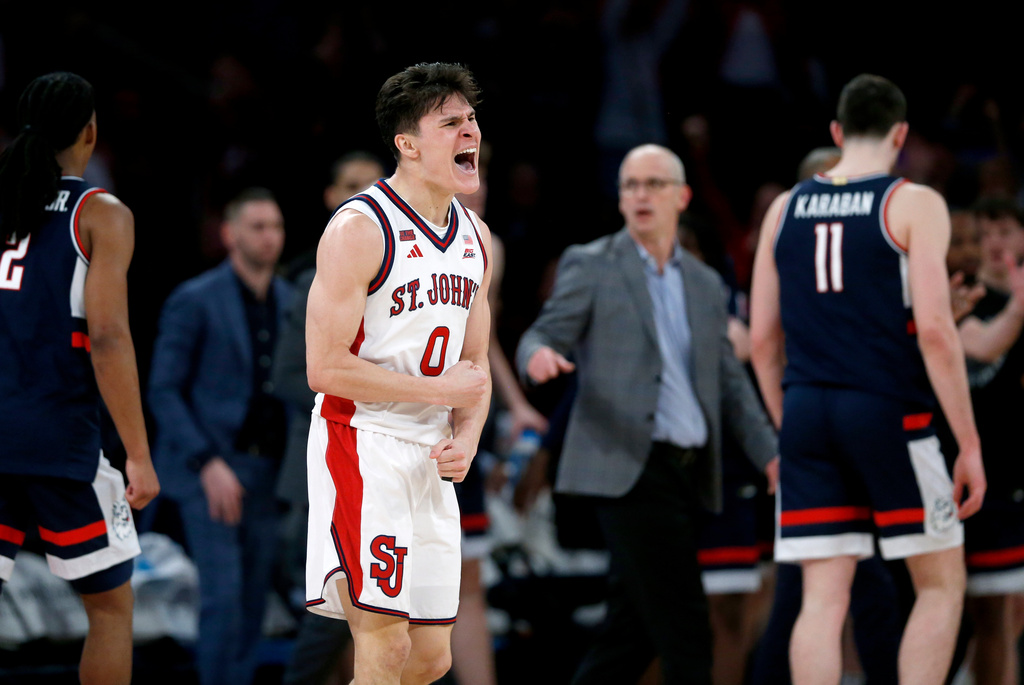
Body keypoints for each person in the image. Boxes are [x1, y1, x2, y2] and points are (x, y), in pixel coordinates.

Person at [749, 73, 986, 685]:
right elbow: (935, 330)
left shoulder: (784, 207)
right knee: (940, 583)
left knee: (822, 599)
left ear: (837, 132)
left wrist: (786, 421)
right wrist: (968, 442)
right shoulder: (913, 202)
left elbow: (761, 339)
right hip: (885, 409)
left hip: (806, 411)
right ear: (900, 135)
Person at [516, 143, 778, 684]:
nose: (641, 195)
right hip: (627, 465)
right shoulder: (592, 263)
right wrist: (537, 357)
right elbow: (542, 333)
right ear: (619, 198)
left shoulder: (705, 283)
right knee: (686, 625)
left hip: (689, 472)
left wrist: (770, 454)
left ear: (681, 197)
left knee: (631, 632)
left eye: (654, 184)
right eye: (631, 185)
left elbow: (730, 384)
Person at [303, 62, 492, 685]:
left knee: (431, 658)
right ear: (407, 144)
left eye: (471, 119)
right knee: (383, 646)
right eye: (450, 123)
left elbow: (475, 366)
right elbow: (324, 366)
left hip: (430, 451)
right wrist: (438, 392)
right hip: (362, 441)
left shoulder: (476, 237)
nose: (470, 132)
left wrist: (468, 436)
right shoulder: (360, 227)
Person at [0, 71, 160, 685]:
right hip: (58, 439)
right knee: (112, 608)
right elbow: (109, 339)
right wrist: (138, 455)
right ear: (90, 133)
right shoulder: (99, 213)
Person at [148, 186, 294, 685]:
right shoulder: (194, 299)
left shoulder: (292, 301)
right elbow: (163, 389)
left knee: (254, 599)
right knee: (224, 596)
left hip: (269, 468)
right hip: (212, 465)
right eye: (258, 226)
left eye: (276, 226)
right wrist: (206, 461)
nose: (269, 236)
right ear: (230, 234)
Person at [274, 152, 385, 685]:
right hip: (322, 473)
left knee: (369, 623)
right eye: (351, 186)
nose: (364, 196)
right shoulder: (312, 279)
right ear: (331, 197)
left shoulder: (397, 271)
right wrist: (371, 400)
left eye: (373, 185)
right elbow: (289, 376)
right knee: (335, 619)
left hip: (381, 467)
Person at [953, 197, 1024, 685]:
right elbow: (982, 343)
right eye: (986, 234)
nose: (995, 243)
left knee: (1008, 612)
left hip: (1015, 471)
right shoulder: (963, 297)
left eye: (1005, 231)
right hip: (979, 476)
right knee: (988, 609)